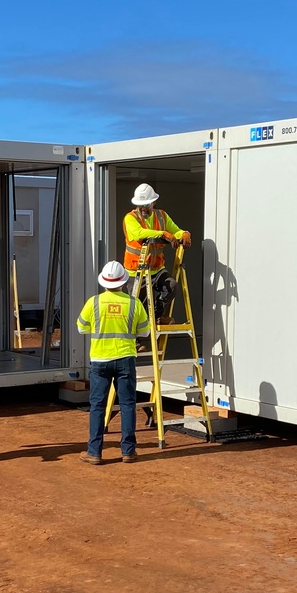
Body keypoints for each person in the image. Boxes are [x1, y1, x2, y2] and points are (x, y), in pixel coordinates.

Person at [76, 260, 149, 465]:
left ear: (104, 281)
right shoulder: (134, 303)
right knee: (127, 405)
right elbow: (144, 331)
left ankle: (95, 452)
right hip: (126, 359)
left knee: (97, 406)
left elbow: (81, 327)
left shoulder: (94, 302)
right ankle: (128, 451)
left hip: (100, 360)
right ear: (123, 282)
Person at [122, 183, 191, 322]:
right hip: (136, 271)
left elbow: (175, 231)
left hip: (157, 268)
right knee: (137, 306)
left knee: (171, 286)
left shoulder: (162, 216)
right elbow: (138, 233)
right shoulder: (130, 218)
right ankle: (137, 342)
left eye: (146, 205)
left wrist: (184, 234)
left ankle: (157, 317)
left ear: (153, 202)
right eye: (140, 205)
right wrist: (163, 234)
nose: (142, 208)